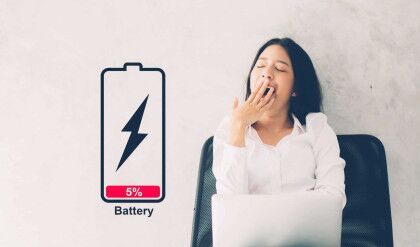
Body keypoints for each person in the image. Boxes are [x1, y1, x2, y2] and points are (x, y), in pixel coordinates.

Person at [212, 37, 347, 209]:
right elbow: (229, 206)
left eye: (279, 68)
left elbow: (333, 199)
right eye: (260, 66)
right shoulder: (229, 129)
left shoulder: (317, 129)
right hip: (251, 234)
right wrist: (239, 126)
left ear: (295, 89)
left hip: (305, 234)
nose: (266, 73)